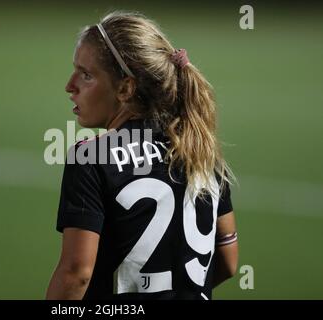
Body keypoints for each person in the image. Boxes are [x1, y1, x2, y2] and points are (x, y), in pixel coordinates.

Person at [46, 11, 238, 300]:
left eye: (86, 75)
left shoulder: (90, 158)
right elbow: (228, 263)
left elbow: (76, 274)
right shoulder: (201, 150)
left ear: (125, 88)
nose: (70, 85)